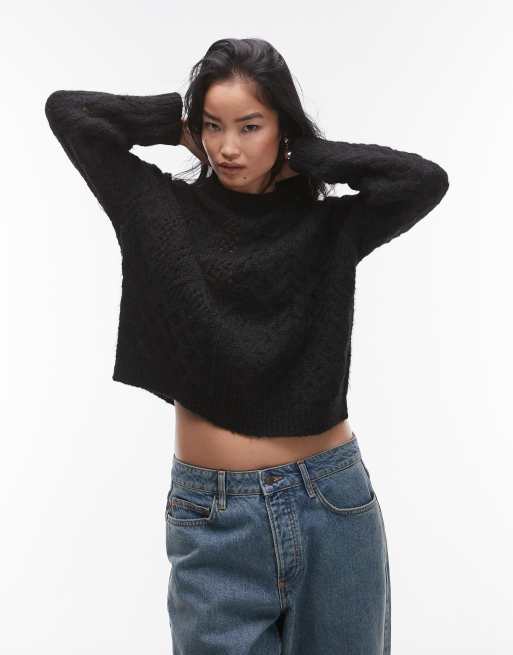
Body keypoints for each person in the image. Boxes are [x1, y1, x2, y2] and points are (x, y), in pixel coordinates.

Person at [45, 37, 449, 655]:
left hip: (333, 506)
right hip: (214, 519)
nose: (227, 148)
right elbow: (68, 112)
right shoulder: (155, 207)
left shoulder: (330, 225)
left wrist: (304, 155)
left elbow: (423, 181)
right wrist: (173, 124)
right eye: (214, 126)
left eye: (249, 126)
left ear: (279, 126)